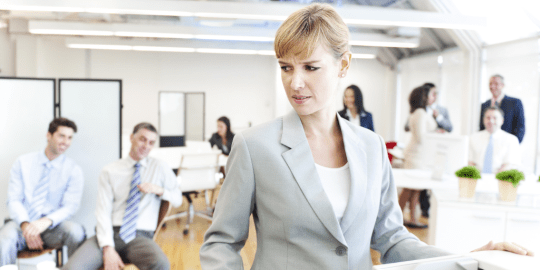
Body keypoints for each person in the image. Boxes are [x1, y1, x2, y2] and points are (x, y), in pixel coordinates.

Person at [199, 4, 532, 270]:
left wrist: (469, 258)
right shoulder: (255, 146)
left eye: (310, 67)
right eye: (286, 67)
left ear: (343, 64)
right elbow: (220, 243)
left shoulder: (371, 147)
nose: (295, 83)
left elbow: (391, 239)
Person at [62, 123, 183, 270]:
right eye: (142, 139)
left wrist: (160, 190)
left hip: (140, 236)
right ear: (131, 138)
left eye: (151, 142)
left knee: (161, 264)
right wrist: (107, 248)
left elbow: (178, 199)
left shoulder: (160, 167)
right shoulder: (110, 170)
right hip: (110, 233)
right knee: (72, 268)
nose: (146, 145)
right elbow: (102, 211)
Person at [0, 118, 86, 266]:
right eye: (61, 136)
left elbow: (70, 206)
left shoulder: (73, 170)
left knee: (76, 232)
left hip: (51, 227)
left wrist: (45, 222)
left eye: (70, 137)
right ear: (49, 135)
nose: (66, 142)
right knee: (5, 238)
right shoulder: (23, 162)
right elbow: (14, 199)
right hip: (21, 224)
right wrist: (26, 225)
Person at [399, 86, 437, 229]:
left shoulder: (419, 112)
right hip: (416, 155)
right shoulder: (420, 113)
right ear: (424, 97)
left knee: (415, 189)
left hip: (419, 155)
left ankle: (413, 219)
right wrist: (435, 134)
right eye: (431, 95)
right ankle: (397, 218)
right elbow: (422, 137)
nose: (433, 97)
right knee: (409, 188)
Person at [469, 106, 521, 173]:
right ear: (483, 120)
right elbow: (469, 161)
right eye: (488, 118)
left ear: (502, 120)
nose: (491, 121)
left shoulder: (511, 140)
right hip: (475, 178)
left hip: (501, 180)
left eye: (495, 118)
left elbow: (510, 164)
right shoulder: (473, 138)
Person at [480, 75, 525, 143]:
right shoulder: (484, 105)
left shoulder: (515, 103)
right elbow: (482, 127)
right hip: (487, 144)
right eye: (490, 84)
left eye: (496, 83)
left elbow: (520, 128)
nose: (492, 86)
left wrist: (514, 145)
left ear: (502, 85)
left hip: (507, 145)